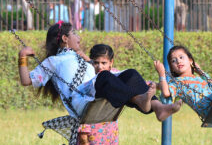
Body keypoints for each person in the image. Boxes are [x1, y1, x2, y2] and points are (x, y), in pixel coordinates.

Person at [18, 21, 182, 124]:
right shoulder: (53, 62)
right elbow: (26, 80)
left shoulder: (79, 58)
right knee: (104, 75)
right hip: (83, 99)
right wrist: (22, 56)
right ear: (65, 39)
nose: (79, 37)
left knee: (129, 74)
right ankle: (140, 100)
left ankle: (158, 107)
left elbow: (106, 73)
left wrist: (159, 85)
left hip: (96, 88)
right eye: (74, 33)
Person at [67, 44, 119, 145]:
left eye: (103, 63)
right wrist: (83, 140)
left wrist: (158, 84)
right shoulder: (90, 84)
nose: (100, 66)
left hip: (109, 134)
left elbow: (133, 83)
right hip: (89, 136)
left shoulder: (116, 77)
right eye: (96, 63)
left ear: (111, 62)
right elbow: (81, 112)